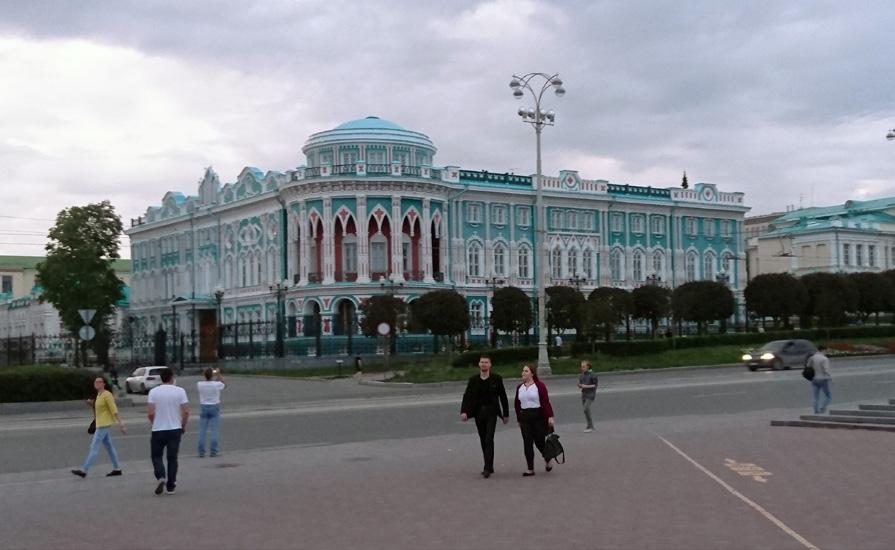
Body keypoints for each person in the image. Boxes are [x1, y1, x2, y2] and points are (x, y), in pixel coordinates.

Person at [460, 355, 509, 478]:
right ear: (479, 364)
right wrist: (464, 411)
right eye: (482, 362)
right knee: (483, 440)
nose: (484, 364)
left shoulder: (496, 379)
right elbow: (467, 396)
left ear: (490, 365)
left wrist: (505, 414)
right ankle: (489, 464)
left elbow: (503, 397)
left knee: (488, 439)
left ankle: (487, 468)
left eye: (486, 362)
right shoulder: (473, 380)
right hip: (478, 413)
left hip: (491, 412)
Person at [71, 377, 127, 478]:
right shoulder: (99, 395)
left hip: (104, 424)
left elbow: (114, 410)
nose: (97, 383)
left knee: (94, 447)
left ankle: (84, 470)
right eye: (95, 382)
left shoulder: (107, 395)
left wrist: (121, 424)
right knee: (109, 447)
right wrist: (91, 404)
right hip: (100, 423)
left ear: (104, 384)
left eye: (99, 382)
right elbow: (99, 411)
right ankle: (117, 468)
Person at [147, 367, 189, 495]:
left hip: (158, 429)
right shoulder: (180, 391)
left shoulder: (153, 392)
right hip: (175, 428)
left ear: (161, 378)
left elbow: (150, 413)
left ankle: (161, 476)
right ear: (172, 377)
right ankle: (171, 485)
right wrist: (183, 425)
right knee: (172, 458)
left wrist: (155, 422)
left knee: (156, 456)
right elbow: (186, 411)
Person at [514, 364, 555, 476]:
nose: (523, 373)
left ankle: (547, 458)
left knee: (539, 442)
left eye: (526, 371)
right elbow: (517, 404)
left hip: (538, 417)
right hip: (525, 418)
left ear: (532, 373)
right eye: (523, 371)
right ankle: (530, 468)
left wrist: (550, 416)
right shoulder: (520, 388)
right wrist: (519, 418)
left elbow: (545, 402)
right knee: (527, 443)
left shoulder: (539, 386)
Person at [197, 368, 226, 458]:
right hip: (214, 406)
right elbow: (224, 384)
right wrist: (219, 373)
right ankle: (214, 451)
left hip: (204, 406)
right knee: (214, 430)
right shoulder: (216, 384)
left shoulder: (199, 384)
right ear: (212, 375)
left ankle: (201, 451)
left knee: (202, 431)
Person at [808, 345, 832, 413]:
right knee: (828, 396)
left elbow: (808, 366)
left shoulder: (812, 358)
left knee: (815, 396)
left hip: (814, 379)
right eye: (826, 351)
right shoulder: (824, 359)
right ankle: (822, 407)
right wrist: (831, 378)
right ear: (823, 350)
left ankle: (816, 409)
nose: (826, 352)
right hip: (823, 379)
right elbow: (826, 370)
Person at [577, 360, 598, 432]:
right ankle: (589, 425)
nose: (582, 368)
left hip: (591, 394)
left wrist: (586, 386)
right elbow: (580, 384)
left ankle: (591, 426)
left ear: (588, 366)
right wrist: (579, 385)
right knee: (586, 411)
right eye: (581, 367)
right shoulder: (582, 375)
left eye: (583, 366)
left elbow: (595, 385)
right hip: (584, 394)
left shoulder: (593, 374)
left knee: (586, 409)